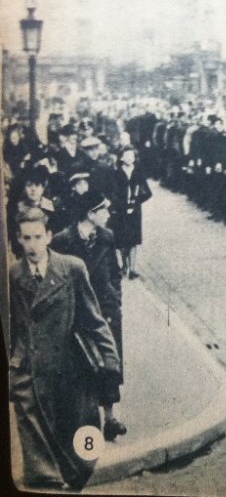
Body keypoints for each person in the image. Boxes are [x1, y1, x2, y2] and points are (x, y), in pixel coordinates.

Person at [9, 207, 121, 490]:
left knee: (79, 439)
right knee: (40, 455)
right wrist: (14, 367)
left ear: (49, 236)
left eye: (37, 237)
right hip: (30, 371)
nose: (32, 245)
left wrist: (110, 360)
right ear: (19, 239)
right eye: (26, 238)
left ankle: (74, 477)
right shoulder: (13, 276)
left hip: (69, 367)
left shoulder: (71, 268)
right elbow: (13, 326)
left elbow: (93, 319)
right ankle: (48, 481)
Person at [51, 191, 128, 442]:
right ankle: (86, 421)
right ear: (91, 214)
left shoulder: (107, 237)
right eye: (103, 209)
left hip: (105, 311)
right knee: (83, 365)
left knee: (109, 362)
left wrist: (115, 300)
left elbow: (115, 273)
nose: (108, 214)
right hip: (77, 313)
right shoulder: (63, 240)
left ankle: (110, 417)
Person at [109, 145, 153, 280]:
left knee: (133, 239)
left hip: (135, 211)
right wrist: (120, 205)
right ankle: (124, 265)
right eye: (126, 155)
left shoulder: (138, 172)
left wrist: (136, 202)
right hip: (121, 210)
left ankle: (132, 269)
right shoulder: (116, 173)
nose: (129, 158)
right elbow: (113, 192)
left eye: (131, 155)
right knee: (122, 239)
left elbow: (148, 192)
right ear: (121, 158)